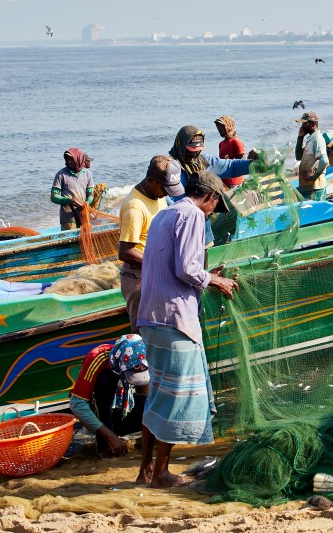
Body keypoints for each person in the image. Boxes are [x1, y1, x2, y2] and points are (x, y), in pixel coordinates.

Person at [136, 170, 239, 488]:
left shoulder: (164, 214)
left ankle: (145, 473)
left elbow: (176, 268)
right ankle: (162, 474)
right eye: (214, 207)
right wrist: (216, 280)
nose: (212, 213)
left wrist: (206, 274)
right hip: (175, 321)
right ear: (208, 197)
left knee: (156, 395)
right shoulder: (193, 214)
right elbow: (186, 269)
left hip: (150, 318)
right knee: (175, 397)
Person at [119, 156, 185, 334]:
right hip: (139, 278)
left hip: (156, 271)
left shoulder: (158, 195)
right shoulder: (135, 207)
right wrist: (161, 261)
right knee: (145, 333)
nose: (167, 193)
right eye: (165, 188)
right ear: (151, 181)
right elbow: (125, 252)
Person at [167, 125, 257, 245]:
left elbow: (231, 166)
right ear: (181, 145)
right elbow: (165, 200)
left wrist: (253, 164)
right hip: (181, 227)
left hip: (204, 226)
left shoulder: (203, 161)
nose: (194, 154)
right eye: (190, 150)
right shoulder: (171, 168)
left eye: (198, 150)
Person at [69, 334, 149, 457]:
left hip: (122, 406)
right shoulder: (98, 357)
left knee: (152, 406)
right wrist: (109, 436)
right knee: (105, 380)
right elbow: (77, 404)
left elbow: (145, 391)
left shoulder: (144, 355)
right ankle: (104, 445)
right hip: (100, 412)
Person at [50, 148, 94, 230]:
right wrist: (69, 200)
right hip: (67, 214)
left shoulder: (87, 174)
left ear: (79, 159)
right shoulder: (61, 174)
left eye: (72, 159)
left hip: (83, 212)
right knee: (70, 234)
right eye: (68, 159)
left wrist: (87, 202)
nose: (69, 162)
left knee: (85, 236)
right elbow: (53, 197)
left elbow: (90, 194)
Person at [293, 111, 328, 201]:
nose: (302, 126)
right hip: (307, 187)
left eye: (305, 123)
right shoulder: (311, 140)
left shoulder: (317, 139)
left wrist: (313, 177)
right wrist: (300, 138)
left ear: (313, 123)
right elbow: (298, 157)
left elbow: (324, 161)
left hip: (315, 188)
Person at [215, 116, 246, 188]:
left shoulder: (236, 142)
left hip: (235, 182)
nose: (219, 128)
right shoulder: (221, 144)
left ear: (228, 126)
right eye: (218, 126)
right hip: (223, 181)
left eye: (221, 126)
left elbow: (242, 163)